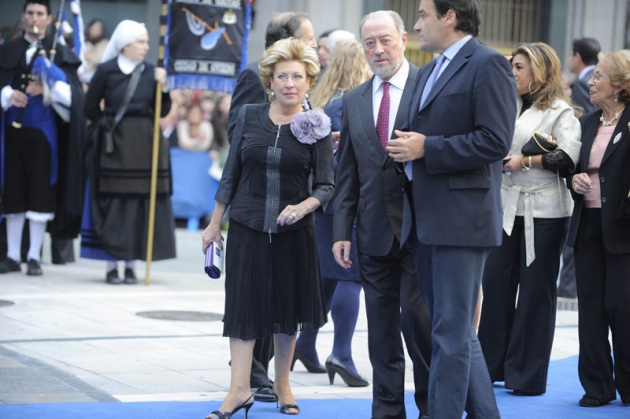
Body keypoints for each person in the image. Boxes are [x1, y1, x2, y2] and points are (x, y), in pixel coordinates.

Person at [386, 1, 516, 417]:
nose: (416, 23)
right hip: (424, 218)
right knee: (454, 332)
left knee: (450, 335)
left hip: (462, 221)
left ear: (450, 17)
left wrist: (427, 148)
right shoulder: (427, 70)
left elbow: (495, 141)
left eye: (424, 14)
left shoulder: (488, 64)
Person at [201, 38, 334, 418]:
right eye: (282, 77)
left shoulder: (318, 125)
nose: (290, 83)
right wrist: (214, 224)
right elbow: (231, 173)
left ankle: (283, 384)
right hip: (246, 226)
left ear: (309, 80)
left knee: (286, 311)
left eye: (297, 76)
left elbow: (327, 184)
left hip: (295, 233)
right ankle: (238, 391)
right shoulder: (247, 116)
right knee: (242, 308)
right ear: (270, 81)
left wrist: (304, 206)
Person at [332, 10, 432, 417]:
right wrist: (342, 229)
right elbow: (348, 174)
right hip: (372, 235)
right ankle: (387, 411)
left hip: (420, 232)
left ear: (403, 39)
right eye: (369, 42)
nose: (377, 49)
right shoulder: (353, 100)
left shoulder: (428, 87)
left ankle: (431, 408)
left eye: (385, 40)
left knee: (421, 328)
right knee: (382, 334)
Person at [477, 42, 582, 396]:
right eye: (511, 66)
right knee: (494, 286)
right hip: (506, 207)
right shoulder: (504, 105)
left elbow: (567, 157)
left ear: (539, 71)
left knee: (536, 293)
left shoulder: (560, 111)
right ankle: (491, 366)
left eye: (518, 67)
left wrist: (527, 161)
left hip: (545, 211)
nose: (512, 73)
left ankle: (526, 375)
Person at [224, 11, 318, 404]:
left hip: (293, 214)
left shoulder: (306, 95)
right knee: (249, 301)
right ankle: (249, 380)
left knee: (284, 303)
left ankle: (274, 381)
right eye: (308, 37)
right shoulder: (254, 80)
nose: (313, 44)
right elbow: (238, 140)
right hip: (255, 209)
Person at [291, 41, 371, 385]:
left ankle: (305, 345)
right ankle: (341, 353)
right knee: (349, 275)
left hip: (320, 197)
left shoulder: (321, 101)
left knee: (326, 276)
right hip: (351, 199)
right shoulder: (359, 101)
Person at [80, 19, 175, 284]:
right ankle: (112, 265)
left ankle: (131, 265)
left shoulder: (151, 72)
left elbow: (162, 111)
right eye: (141, 42)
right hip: (113, 146)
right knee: (113, 202)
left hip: (144, 144)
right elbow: (89, 107)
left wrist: (164, 87)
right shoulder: (107, 70)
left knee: (137, 204)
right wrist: (105, 127)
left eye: (146, 41)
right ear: (125, 44)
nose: (146, 46)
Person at [0, 0, 85, 276]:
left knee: (39, 194)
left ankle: (34, 255)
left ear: (49, 19)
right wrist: (6, 95)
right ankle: (13, 255)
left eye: (39, 14)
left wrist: (48, 83)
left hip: (44, 137)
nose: (34, 18)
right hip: (11, 135)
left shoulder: (58, 52)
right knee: (12, 195)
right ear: (23, 17)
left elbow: (74, 99)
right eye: (29, 13)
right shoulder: (8, 50)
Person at [566, 50, 630, 408]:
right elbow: (576, 166)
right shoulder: (588, 122)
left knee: (621, 307)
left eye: (598, 77)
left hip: (623, 228)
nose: (590, 82)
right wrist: (574, 177)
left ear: (619, 85)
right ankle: (596, 386)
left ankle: (628, 382)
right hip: (588, 225)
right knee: (589, 307)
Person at [557, 37, 602, 299]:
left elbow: (586, 117)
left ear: (577, 56)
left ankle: (568, 286)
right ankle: (569, 286)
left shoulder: (586, 84)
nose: (594, 83)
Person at [228, 12, 317, 141]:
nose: (314, 44)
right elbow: (238, 134)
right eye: (309, 38)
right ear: (292, 41)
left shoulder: (304, 75)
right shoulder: (253, 75)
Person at [80, 18, 109, 85]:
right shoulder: (83, 43)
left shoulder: (105, 43)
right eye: (94, 29)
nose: (95, 32)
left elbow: (100, 60)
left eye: (98, 30)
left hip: (97, 78)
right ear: (89, 29)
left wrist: (87, 56)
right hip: (81, 77)